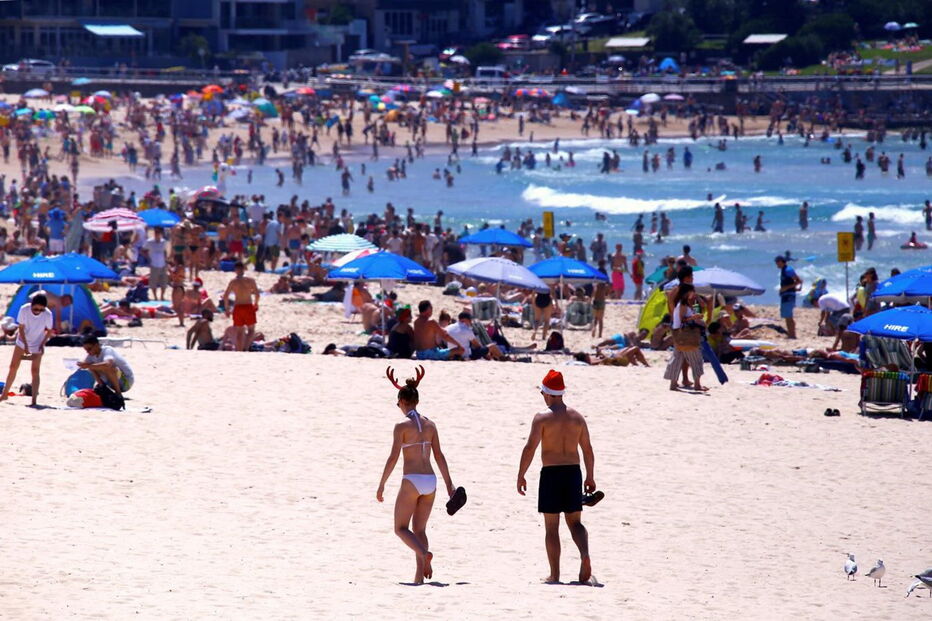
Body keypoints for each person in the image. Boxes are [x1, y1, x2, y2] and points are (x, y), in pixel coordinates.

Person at [517, 369, 599, 584]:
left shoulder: (542, 418)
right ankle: (584, 554)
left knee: (552, 527)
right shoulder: (577, 418)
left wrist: (521, 474)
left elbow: (530, 448)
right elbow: (588, 450)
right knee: (575, 523)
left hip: (551, 474)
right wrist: (590, 477)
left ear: (548, 393)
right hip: (573, 472)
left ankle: (554, 575)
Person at [376, 366, 455, 585]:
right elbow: (439, 456)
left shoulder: (401, 426)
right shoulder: (430, 424)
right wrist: (450, 485)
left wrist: (381, 484)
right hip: (431, 481)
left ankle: (423, 554)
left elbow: (393, 458)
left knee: (401, 528)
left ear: (402, 401)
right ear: (417, 402)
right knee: (419, 529)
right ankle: (419, 576)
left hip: (411, 480)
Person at [0, 294, 53, 406]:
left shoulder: (47, 314)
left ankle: (34, 400)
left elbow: (49, 331)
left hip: (37, 342)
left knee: (35, 371)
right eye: (35, 309)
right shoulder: (24, 309)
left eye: (41, 310)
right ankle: (5, 394)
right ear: (31, 305)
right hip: (22, 340)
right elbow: (21, 328)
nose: (38, 311)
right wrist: (26, 346)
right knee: (13, 367)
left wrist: (42, 344)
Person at [664, 284, 707, 392]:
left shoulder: (684, 304)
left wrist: (698, 301)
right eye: (692, 292)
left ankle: (673, 384)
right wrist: (694, 317)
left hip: (678, 334)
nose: (694, 294)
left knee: (677, 359)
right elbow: (683, 319)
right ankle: (697, 384)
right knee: (696, 358)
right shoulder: (683, 305)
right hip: (685, 334)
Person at [78, 334, 134, 399]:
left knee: (107, 367)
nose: (88, 352)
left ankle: (118, 394)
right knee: (91, 367)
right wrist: (81, 364)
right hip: (113, 382)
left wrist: (88, 365)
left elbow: (108, 364)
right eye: (86, 350)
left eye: (89, 349)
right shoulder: (91, 355)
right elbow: (85, 363)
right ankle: (102, 387)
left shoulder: (107, 350)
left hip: (126, 382)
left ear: (96, 345)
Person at [222, 261, 260, 351]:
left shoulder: (233, 282)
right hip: (248, 306)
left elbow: (225, 296)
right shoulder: (250, 280)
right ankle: (245, 348)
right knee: (251, 330)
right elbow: (257, 294)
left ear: (235, 270)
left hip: (238, 307)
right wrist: (256, 303)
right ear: (244, 269)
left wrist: (227, 309)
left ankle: (239, 350)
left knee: (239, 331)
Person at [775, 255, 802, 339]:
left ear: (782, 261)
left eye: (777, 262)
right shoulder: (783, 270)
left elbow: (798, 281)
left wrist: (785, 288)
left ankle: (792, 334)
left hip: (788, 296)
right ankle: (791, 334)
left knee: (788, 316)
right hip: (786, 295)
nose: (776, 264)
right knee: (787, 316)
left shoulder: (788, 270)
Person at [143, 227, 169, 301]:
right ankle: (155, 296)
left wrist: (166, 259)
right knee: (153, 281)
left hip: (162, 263)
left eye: (158, 232)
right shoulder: (149, 241)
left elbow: (164, 251)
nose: (157, 234)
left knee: (164, 281)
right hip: (154, 263)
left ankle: (162, 296)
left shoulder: (163, 241)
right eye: (156, 232)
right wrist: (148, 258)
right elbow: (143, 250)